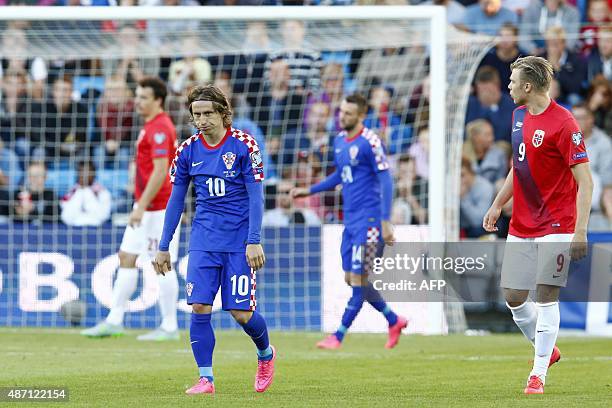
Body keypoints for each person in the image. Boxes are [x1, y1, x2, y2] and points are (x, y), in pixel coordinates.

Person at [152, 85, 276, 395]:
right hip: (204, 241)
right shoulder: (187, 150)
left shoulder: (245, 145)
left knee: (240, 313)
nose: (203, 120)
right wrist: (164, 246)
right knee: (199, 307)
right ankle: (206, 379)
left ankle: (266, 353)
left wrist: (254, 240)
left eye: (209, 113)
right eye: (197, 114)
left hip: (238, 242)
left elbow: (256, 197)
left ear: (223, 112)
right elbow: (176, 201)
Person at [483, 56, 593, 395]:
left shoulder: (564, 123)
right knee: (514, 296)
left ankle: (538, 373)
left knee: (546, 295)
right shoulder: (517, 117)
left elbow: (586, 183)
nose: (509, 87)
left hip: (558, 223)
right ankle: (548, 349)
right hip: (522, 222)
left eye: (513, 82)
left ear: (528, 86)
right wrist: (498, 203)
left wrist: (580, 231)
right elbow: (519, 168)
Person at [291, 93, 407, 350]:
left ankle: (338, 335)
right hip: (351, 222)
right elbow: (339, 176)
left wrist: (385, 222)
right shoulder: (340, 140)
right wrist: (309, 190)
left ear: (361, 116)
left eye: (348, 114)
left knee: (358, 279)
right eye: (341, 111)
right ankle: (393, 319)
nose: (342, 117)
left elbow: (386, 179)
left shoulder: (370, 141)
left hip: (371, 221)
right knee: (352, 277)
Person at [81, 77, 181, 341]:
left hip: (159, 209)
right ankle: (114, 320)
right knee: (127, 256)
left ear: (158, 100)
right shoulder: (150, 126)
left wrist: (142, 206)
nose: (137, 101)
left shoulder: (160, 127)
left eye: (143, 97)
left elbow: (161, 171)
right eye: (136, 96)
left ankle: (169, 326)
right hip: (146, 205)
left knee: (162, 264)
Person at [60, 160, 112, 227]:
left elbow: (104, 215)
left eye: (88, 172)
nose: (85, 175)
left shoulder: (103, 192)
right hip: (74, 227)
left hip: (96, 226)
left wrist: (88, 193)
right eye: (82, 172)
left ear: (94, 173)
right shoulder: (71, 192)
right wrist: (79, 193)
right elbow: (66, 217)